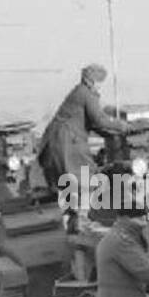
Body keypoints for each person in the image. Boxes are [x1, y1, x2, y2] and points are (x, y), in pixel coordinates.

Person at [36, 65, 133, 213]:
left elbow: (92, 123)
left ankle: (76, 216)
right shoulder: (86, 94)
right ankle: (83, 217)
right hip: (68, 142)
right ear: (93, 81)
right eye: (100, 82)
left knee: (76, 182)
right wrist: (122, 126)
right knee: (85, 179)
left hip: (61, 140)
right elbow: (99, 119)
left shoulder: (80, 92)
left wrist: (111, 133)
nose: (101, 86)